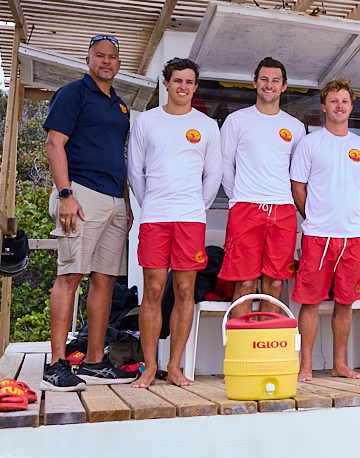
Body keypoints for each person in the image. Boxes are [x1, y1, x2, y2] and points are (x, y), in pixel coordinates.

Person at [41, 35, 137, 391]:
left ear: (119, 63)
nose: (106, 61)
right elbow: (54, 143)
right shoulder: (73, 93)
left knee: (106, 281)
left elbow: (117, 156)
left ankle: (95, 361)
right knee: (70, 275)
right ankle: (56, 364)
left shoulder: (120, 106)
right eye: (100, 56)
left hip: (114, 200)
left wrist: (126, 203)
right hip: (80, 193)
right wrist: (65, 194)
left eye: (112, 56)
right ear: (88, 60)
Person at [127, 58, 222, 388]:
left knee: (184, 291)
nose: (183, 87)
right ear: (166, 83)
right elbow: (135, 172)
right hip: (155, 217)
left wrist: (194, 206)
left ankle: (175, 366)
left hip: (190, 219)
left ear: (195, 87)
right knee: (153, 289)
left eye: (189, 82)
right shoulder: (146, 121)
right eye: (177, 80)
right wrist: (152, 205)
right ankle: (150, 367)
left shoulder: (207, 126)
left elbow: (213, 176)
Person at [290, 78, 360, 381]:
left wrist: (348, 215)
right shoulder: (310, 143)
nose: (339, 106)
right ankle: (306, 365)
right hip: (317, 236)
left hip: (352, 238)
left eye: (344, 101)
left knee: (345, 302)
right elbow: (297, 188)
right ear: (324, 106)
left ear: (351, 107)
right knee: (310, 301)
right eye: (334, 101)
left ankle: (339, 363)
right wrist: (314, 216)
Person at [220, 57, 305, 318]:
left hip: (283, 210)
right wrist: (239, 197)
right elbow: (225, 164)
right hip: (246, 208)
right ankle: (241, 343)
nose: (269, 85)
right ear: (254, 82)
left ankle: (266, 343)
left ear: (284, 86)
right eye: (264, 79)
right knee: (245, 284)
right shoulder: (236, 120)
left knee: (275, 285)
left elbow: (298, 175)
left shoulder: (295, 127)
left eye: (275, 81)